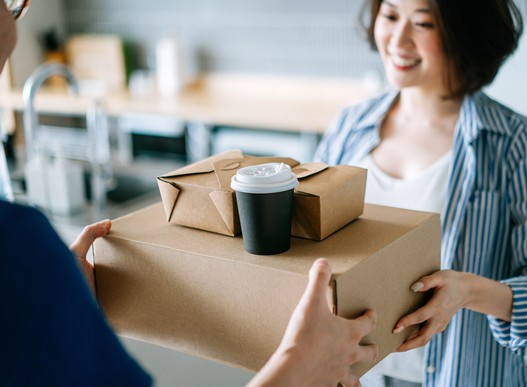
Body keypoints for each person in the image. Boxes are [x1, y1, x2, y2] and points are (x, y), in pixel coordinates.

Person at [0, 2, 378, 386]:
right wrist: (301, 364)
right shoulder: (17, 246)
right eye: (10, 4)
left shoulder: (23, 253)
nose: (15, 12)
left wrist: (60, 304)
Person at [315, 0, 527, 386]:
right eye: (389, 16)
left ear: (463, 33)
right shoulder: (349, 126)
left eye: (422, 23)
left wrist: (466, 291)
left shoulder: (518, 143)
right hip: (354, 374)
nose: (398, 39)